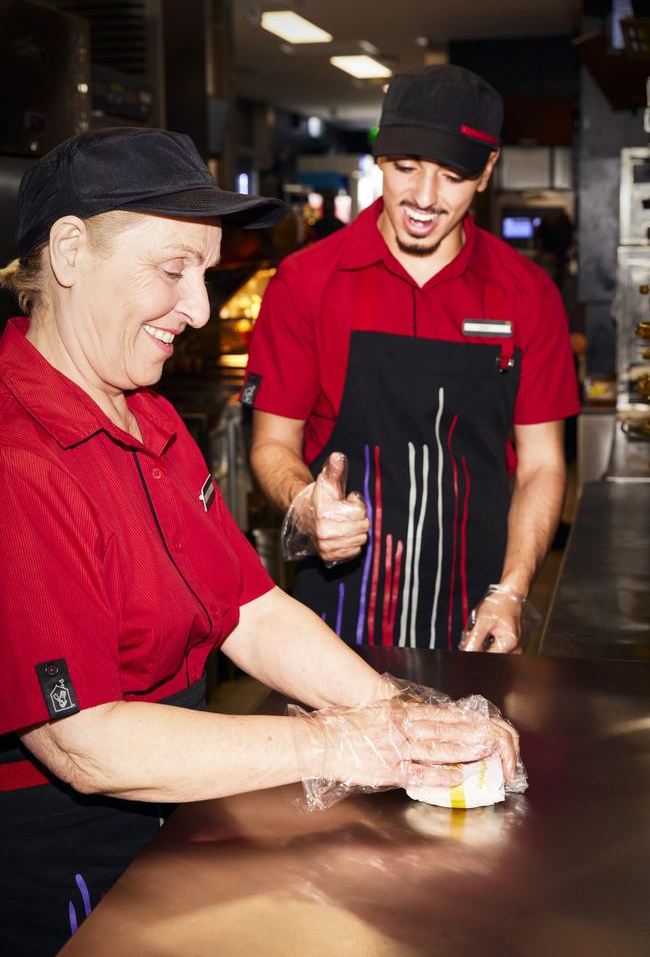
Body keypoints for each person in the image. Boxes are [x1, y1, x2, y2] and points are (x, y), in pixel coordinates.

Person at [0, 127, 521, 955]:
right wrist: (342, 744)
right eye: (173, 270)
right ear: (68, 251)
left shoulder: (151, 415)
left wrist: (400, 716)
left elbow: (250, 608)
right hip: (68, 865)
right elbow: (86, 744)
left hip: (181, 808)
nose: (199, 309)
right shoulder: (16, 459)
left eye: (204, 275)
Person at [243, 64, 580, 654]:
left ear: (487, 173)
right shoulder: (305, 283)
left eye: (452, 177)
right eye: (405, 169)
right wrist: (304, 503)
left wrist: (514, 591)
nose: (423, 200)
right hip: (334, 616)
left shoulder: (527, 294)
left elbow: (541, 465)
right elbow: (273, 443)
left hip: (477, 615)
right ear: (379, 157)